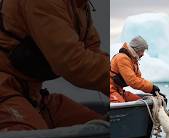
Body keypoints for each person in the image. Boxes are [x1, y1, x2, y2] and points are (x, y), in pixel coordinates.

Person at [0, 0, 109, 131]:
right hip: (5, 91)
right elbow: (72, 61)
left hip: (32, 95)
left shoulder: (79, 5)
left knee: (100, 128)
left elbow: (92, 51)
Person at [110, 36, 163, 103]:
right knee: (120, 103)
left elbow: (138, 79)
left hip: (119, 91)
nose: (143, 54)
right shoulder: (122, 58)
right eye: (142, 51)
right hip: (110, 90)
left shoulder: (133, 61)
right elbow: (133, 81)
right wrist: (151, 88)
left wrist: (153, 90)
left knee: (139, 101)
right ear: (136, 49)